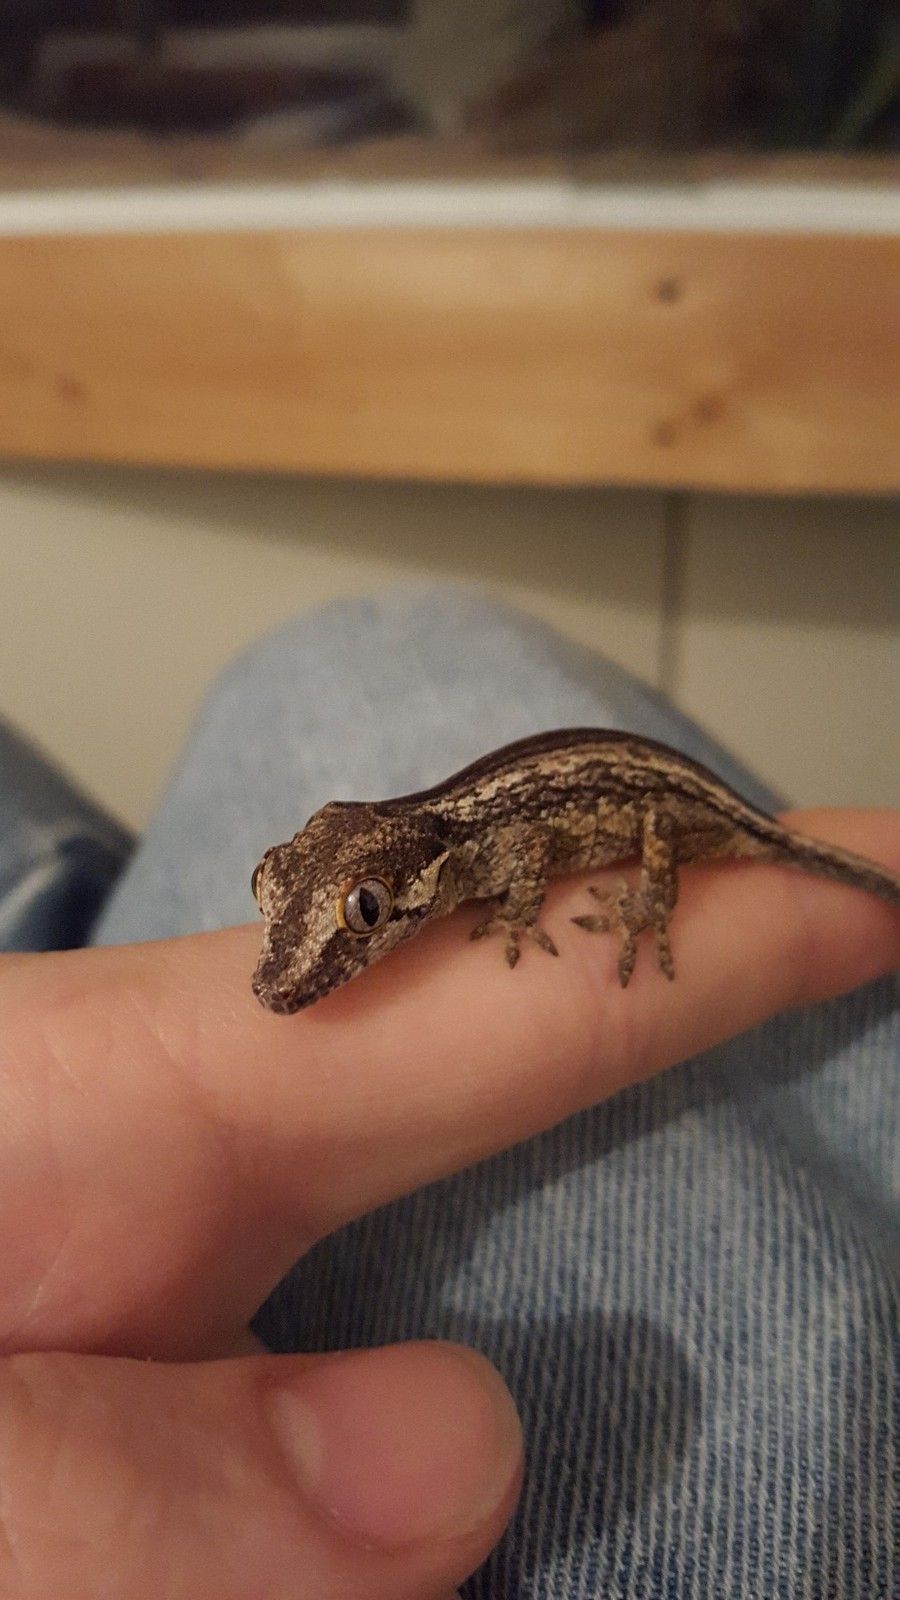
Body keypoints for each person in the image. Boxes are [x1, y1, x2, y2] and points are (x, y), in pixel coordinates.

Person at [1, 588, 897, 1600]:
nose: (297, 970)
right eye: (274, 890)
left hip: (676, 810)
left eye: (365, 913)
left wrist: (625, 904)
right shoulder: (417, 855)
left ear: (423, 879)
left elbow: (535, 855)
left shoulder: (488, 849)